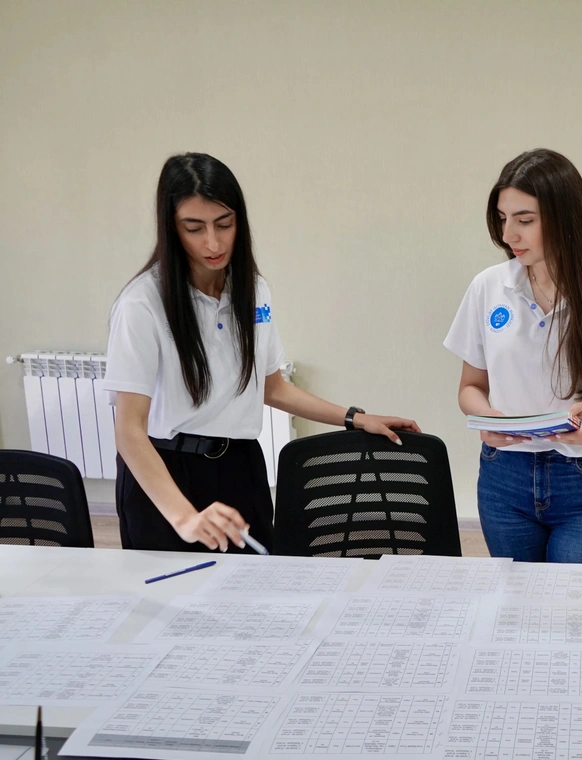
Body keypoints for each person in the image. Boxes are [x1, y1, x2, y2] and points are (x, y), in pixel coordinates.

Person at [103, 152, 419, 553]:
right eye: (194, 228)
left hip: (240, 466)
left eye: (224, 224)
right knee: (177, 589)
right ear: (171, 227)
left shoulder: (252, 289)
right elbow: (129, 430)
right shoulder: (142, 304)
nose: (213, 242)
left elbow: (272, 387)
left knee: (254, 583)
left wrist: (354, 418)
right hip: (165, 471)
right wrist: (185, 518)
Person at [444, 148, 582, 564]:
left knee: (577, 603)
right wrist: (488, 418)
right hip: (504, 477)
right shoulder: (488, 287)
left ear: (565, 218)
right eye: (503, 219)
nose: (509, 235)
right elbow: (470, 387)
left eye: (524, 220)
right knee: (516, 601)